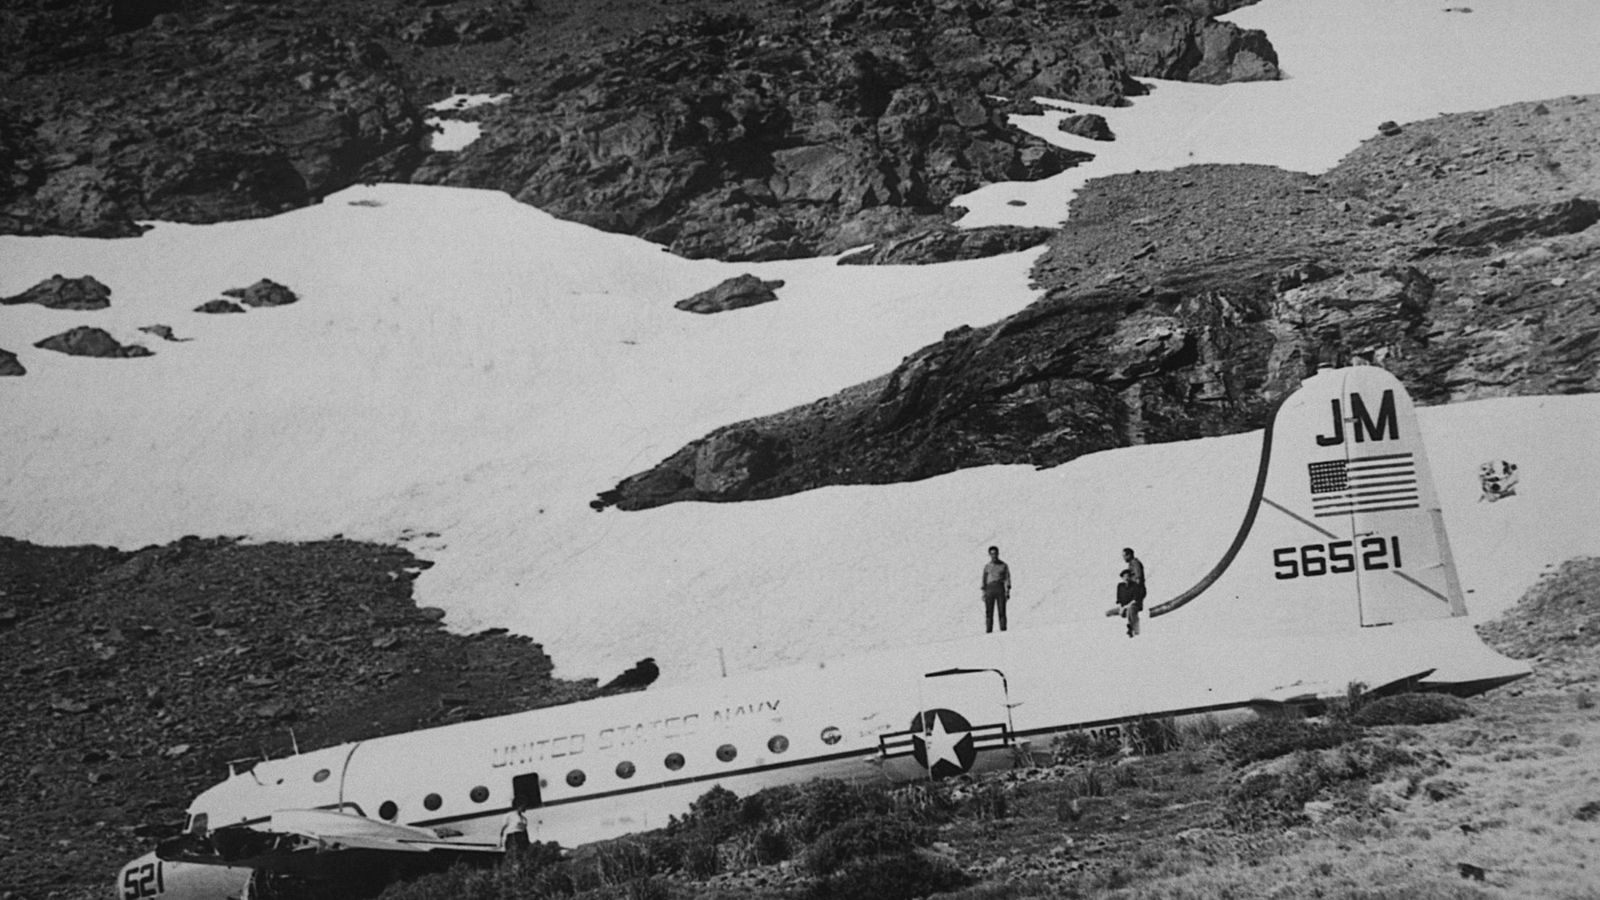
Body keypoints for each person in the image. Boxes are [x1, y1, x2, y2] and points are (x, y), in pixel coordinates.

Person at [981, 546, 1011, 633]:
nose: (994, 555)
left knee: (1002, 610)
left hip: (1000, 588)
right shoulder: (987, 567)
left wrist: (1007, 591)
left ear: (998, 553)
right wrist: (983, 592)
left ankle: (1003, 630)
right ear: (989, 554)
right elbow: (984, 580)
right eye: (992, 554)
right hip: (990, 589)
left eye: (995, 553)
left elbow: (1007, 578)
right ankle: (989, 631)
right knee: (989, 612)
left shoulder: (1003, 565)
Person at [1116, 568, 1142, 637]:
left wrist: (1125, 607)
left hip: (1133, 605)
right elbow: (1119, 599)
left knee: (1130, 610)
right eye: (1124, 576)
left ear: (1130, 577)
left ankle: (1132, 628)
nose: (1126, 578)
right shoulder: (1120, 586)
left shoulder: (1135, 585)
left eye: (1128, 576)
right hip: (1123, 607)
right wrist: (1121, 607)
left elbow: (1135, 599)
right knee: (1108, 613)